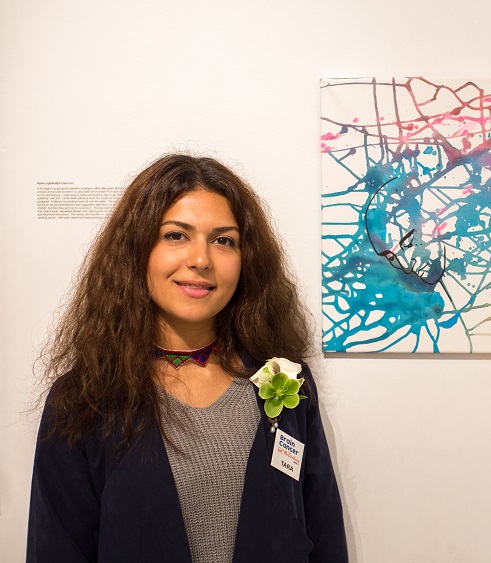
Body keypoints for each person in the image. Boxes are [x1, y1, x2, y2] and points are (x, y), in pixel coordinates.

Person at [27, 154, 348, 563]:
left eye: (223, 240)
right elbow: (55, 549)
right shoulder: (83, 399)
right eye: (176, 235)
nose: (201, 259)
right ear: (137, 251)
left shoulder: (284, 383)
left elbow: (323, 535)